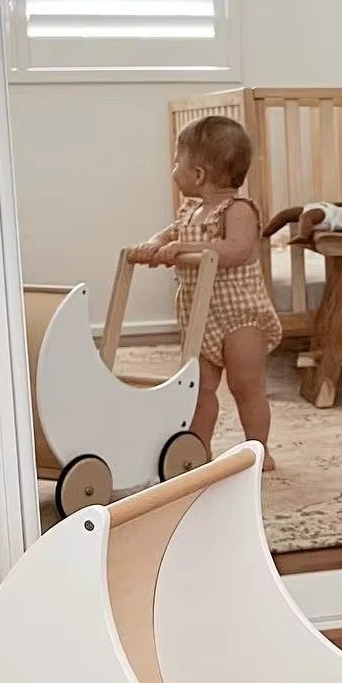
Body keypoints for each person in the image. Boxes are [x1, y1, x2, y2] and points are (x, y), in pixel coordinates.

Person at [132, 115, 281, 469]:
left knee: (246, 386)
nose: (173, 170)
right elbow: (166, 236)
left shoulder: (238, 210)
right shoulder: (189, 212)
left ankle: (258, 449)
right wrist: (153, 246)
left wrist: (184, 249)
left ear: (198, 174)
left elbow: (237, 249)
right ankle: (197, 452)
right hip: (201, 316)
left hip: (240, 315)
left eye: (176, 162)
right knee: (197, 390)